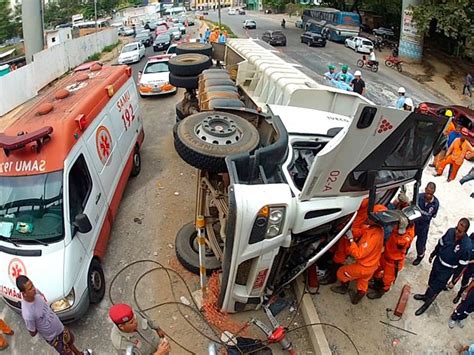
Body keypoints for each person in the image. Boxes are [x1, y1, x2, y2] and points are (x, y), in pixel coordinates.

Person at [16, 275, 92, 355]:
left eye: (32, 285)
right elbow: (32, 332)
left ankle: (80, 354)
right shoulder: (27, 313)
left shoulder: (36, 292)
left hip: (59, 326)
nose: (34, 289)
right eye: (30, 289)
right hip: (53, 337)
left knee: (70, 342)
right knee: (66, 353)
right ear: (24, 293)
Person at [413, 218, 471, 316]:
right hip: (438, 263)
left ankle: (426, 304)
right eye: (456, 228)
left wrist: (454, 281)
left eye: (460, 231)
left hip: (447, 270)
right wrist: (433, 254)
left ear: (465, 232)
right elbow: (440, 244)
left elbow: (462, 266)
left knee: (435, 289)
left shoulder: (466, 246)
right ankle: (425, 296)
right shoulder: (450, 232)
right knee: (431, 281)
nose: (456, 232)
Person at [330, 206, 386, 304]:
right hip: (372, 266)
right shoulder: (378, 230)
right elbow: (362, 231)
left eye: (370, 216)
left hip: (363, 267)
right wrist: (351, 232)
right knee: (363, 282)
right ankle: (357, 298)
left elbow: (358, 254)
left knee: (342, 272)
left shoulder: (373, 238)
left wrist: (351, 240)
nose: (367, 217)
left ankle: (343, 288)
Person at [320, 198, 372, 285]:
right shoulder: (366, 199)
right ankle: (329, 271)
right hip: (346, 227)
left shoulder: (366, 202)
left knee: (339, 256)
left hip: (349, 233)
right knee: (334, 250)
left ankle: (332, 277)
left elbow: (363, 227)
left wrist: (351, 234)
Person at [367, 216, 415, 299]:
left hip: (393, 262)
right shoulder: (402, 223)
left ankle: (380, 292)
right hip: (386, 254)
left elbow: (401, 244)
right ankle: (376, 284)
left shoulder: (408, 235)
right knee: (376, 269)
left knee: (387, 280)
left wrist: (401, 233)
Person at [412, 182, 439, 266]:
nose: (428, 196)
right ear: (425, 190)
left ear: (434, 192)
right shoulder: (418, 197)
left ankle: (420, 256)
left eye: (431, 194)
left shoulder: (436, 203)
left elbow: (433, 215)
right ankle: (403, 253)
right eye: (427, 193)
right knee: (407, 239)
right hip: (414, 224)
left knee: (420, 244)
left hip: (424, 227)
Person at [448, 232, 474, 304]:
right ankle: (451, 283)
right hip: (463, 260)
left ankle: (459, 295)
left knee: (464, 281)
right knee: (456, 274)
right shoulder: (472, 236)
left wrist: (468, 262)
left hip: (470, 266)